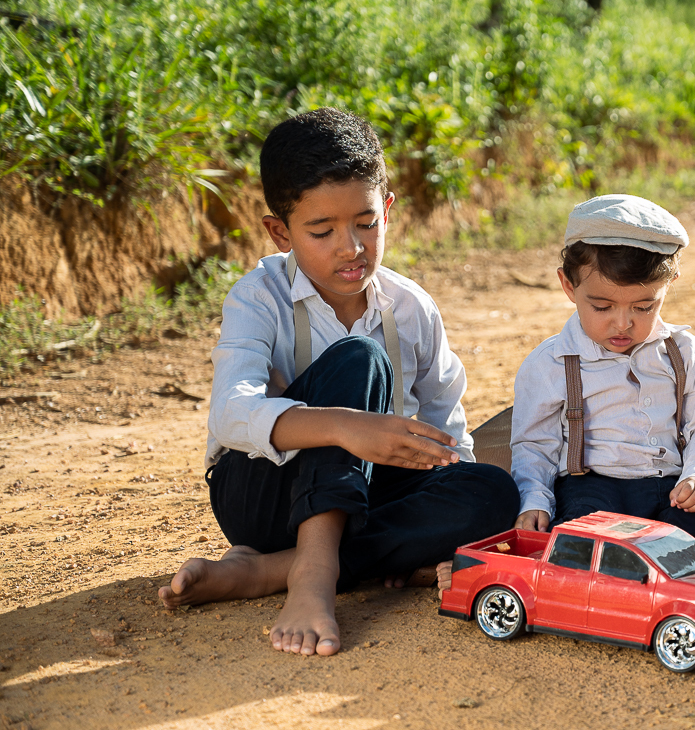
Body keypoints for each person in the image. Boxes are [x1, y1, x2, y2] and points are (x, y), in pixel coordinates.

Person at [157, 108, 519, 656]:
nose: (351, 246)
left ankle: (266, 572)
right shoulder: (258, 298)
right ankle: (312, 578)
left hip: (364, 499)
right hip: (260, 497)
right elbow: (231, 415)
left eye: (366, 223)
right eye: (322, 231)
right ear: (281, 232)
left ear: (388, 210)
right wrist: (345, 428)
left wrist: (450, 501)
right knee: (360, 360)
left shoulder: (412, 308)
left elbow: (447, 429)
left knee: (489, 492)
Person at [510, 195, 695, 554]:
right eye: (602, 306)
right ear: (569, 285)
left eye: (644, 307)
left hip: (668, 488)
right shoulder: (550, 362)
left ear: (670, 284)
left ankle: (627, 564)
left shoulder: (685, 352)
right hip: (592, 488)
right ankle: (648, 562)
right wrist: (534, 499)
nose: (623, 323)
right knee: (578, 530)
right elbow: (535, 445)